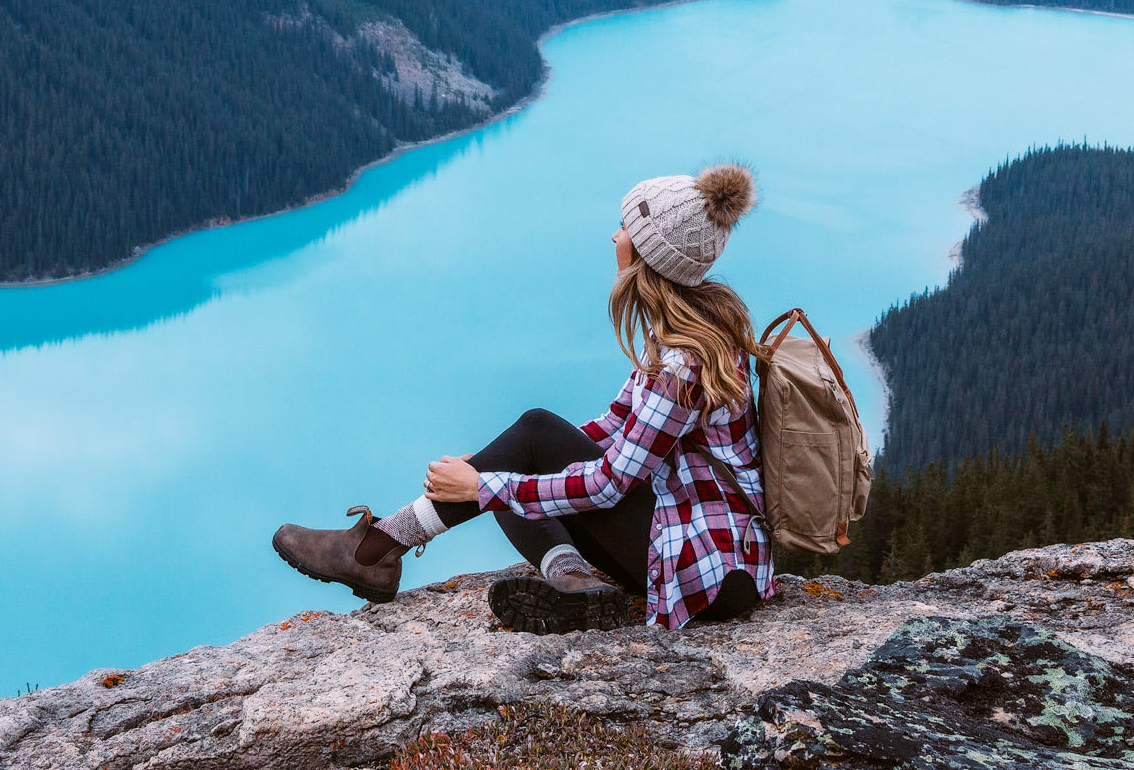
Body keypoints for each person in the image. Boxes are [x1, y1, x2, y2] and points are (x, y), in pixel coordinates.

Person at [271, 164, 775, 634]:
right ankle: (574, 581)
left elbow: (610, 483)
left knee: (509, 473)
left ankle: (376, 549)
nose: (615, 236)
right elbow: (617, 425)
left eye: (625, 229)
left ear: (649, 256)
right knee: (514, 465)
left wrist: (483, 483)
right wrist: (499, 460)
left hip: (711, 573)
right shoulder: (692, 328)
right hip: (711, 546)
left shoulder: (683, 363)